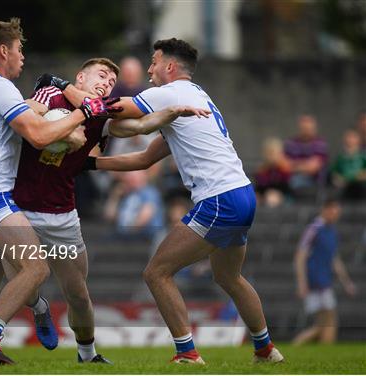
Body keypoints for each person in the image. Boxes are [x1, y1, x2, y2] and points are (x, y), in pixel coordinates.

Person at [49, 37, 284, 364]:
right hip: (242, 193)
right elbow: (144, 159)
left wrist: (64, 88)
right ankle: (266, 350)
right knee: (229, 277)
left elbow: (109, 111)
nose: (149, 69)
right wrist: (88, 164)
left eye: (154, 61)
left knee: (156, 273)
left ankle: (187, 352)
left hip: (219, 199)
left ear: (170, 67)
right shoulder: (197, 94)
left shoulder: (167, 93)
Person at [0, 19, 122, 365]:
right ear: (3, 51)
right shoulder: (0, 87)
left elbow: (38, 118)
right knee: (36, 270)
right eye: (18, 50)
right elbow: (40, 137)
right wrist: (82, 113)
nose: (22, 57)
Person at [293, 199, 357, 345]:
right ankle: (301, 345)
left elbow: (334, 259)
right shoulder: (314, 229)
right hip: (315, 280)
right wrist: (302, 283)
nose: (336, 216)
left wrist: (346, 282)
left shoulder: (331, 231)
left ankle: (308, 347)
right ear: (326, 210)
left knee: (324, 322)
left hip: (324, 279)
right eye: (334, 212)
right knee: (329, 320)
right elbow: (300, 256)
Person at [104, 170, 164, 241]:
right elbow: (109, 216)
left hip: (145, 236)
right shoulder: (126, 195)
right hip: (125, 235)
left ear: (143, 177)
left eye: (132, 177)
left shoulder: (149, 192)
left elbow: (145, 216)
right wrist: (115, 196)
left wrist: (128, 231)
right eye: (128, 177)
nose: (128, 179)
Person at [284, 115, 328, 198]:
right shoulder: (290, 143)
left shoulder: (320, 143)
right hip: (291, 179)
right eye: (304, 128)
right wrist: (306, 164)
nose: (306, 130)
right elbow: (285, 165)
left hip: (315, 182)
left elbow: (313, 168)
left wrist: (295, 165)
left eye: (309, 128)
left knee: (294, 182)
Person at [254, 137, 291, 207]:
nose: (271, 157)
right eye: (269, 153)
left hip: (285, 197)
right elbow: (259, 188)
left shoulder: (284, 169)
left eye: (273, 153)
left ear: (280, 154)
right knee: (254, 199)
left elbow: (286, 188)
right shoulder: (262, 169)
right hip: (265, 195)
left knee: (271, 198)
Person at [330, 129, 366, 200]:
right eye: (349, 137)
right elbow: (334, 174)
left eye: (353, 137)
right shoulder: (340, 158)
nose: (351, 140)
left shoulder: (363, 157)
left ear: (358, 140)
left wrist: (351, 178)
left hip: (360, 186)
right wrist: (338, 179)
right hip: (344, 188)